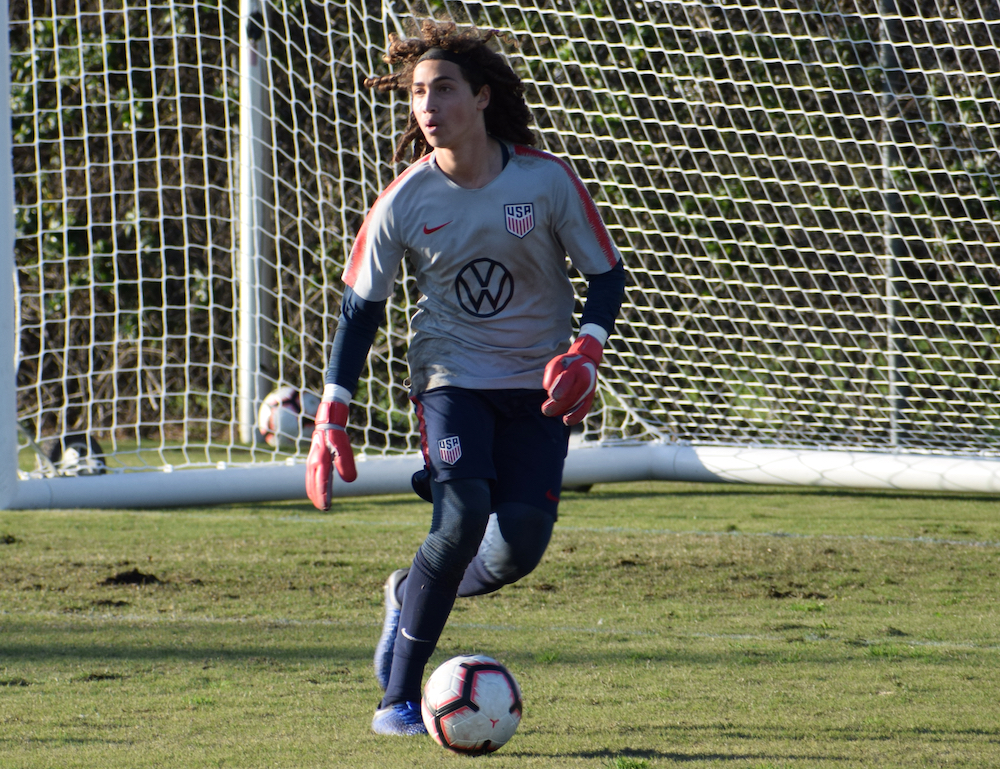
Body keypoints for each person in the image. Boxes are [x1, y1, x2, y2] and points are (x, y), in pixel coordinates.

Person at [305, 20, 627, 736]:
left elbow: (606, 276)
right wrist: (333, 412)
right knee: (458, 520)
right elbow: (361, 312)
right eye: (418, 92)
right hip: (450, 378)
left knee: (519, 543)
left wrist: (587, 350)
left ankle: (407, 592)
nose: (427, 104)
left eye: (443, 89)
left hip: (537, 385)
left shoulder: (545, 181)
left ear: (481, 98)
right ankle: (396, 698)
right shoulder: (404, 200)